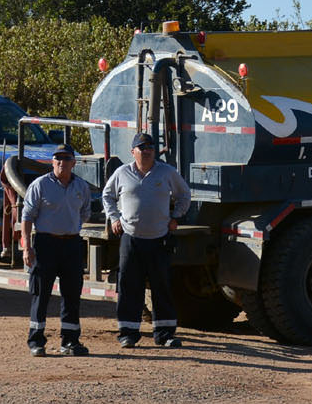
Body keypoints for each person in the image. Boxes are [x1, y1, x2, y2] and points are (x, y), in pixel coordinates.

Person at [101, 132, 193, 348]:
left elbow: (185, 194)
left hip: (159, 239)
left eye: (150, 147)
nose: (147, 151)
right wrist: (114, 218)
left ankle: (165, 334)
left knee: (162, 286)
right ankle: (128, 334)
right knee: (129, 287)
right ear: (133, 151)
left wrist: (176, 216)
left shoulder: (167, 172)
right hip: (131, 239)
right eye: (142, 147)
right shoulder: (122, 173)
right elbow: (107, 196)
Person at [20, 144, 94, 357]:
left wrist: (69, 228)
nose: (62, 162)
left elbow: (85, 213)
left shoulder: (81, 186)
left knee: (72, 294)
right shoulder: (40, 185)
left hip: (72, 244)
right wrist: (27, 247)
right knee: (41, 293)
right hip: (46, 244)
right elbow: (27, 217)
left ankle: (70, 341)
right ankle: (36, 341)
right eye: (57, 159)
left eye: (66, 158)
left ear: (74, 162)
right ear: (52, 162)